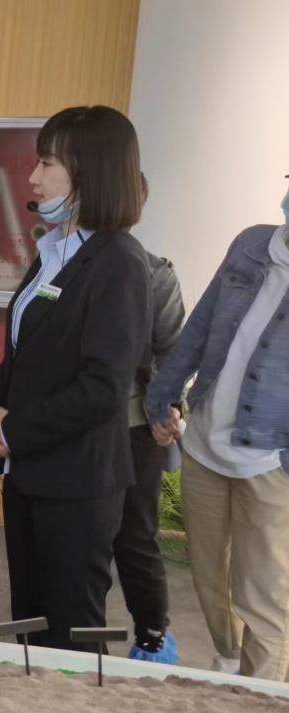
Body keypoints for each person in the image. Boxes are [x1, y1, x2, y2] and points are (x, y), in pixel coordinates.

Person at [0, 105, 151, 651]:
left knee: (74, 631)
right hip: (29, 470)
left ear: (89, 171)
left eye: (47, 163)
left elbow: (103, 387)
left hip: (77, 479)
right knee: (28, 618)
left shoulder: (119, 262)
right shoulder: (54, 250)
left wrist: (13, 431)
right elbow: (20, 350)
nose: (33, 177)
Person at [146, 190, 289, 681]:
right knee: (210, 578)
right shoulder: (251, 245)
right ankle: (228, 661)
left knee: (265, 597)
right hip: (205, 448)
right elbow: (200, 327)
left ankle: (259, 695)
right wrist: (163, 395)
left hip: (270, 463)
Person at [119, 249, 185, 663]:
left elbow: (174, 351)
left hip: (134, 429)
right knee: (76, 543)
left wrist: (166, 407)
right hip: (68, 429)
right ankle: (72, 645)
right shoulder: (57, 257)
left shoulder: (154, 272)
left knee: (135, 536)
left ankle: (152, 638)